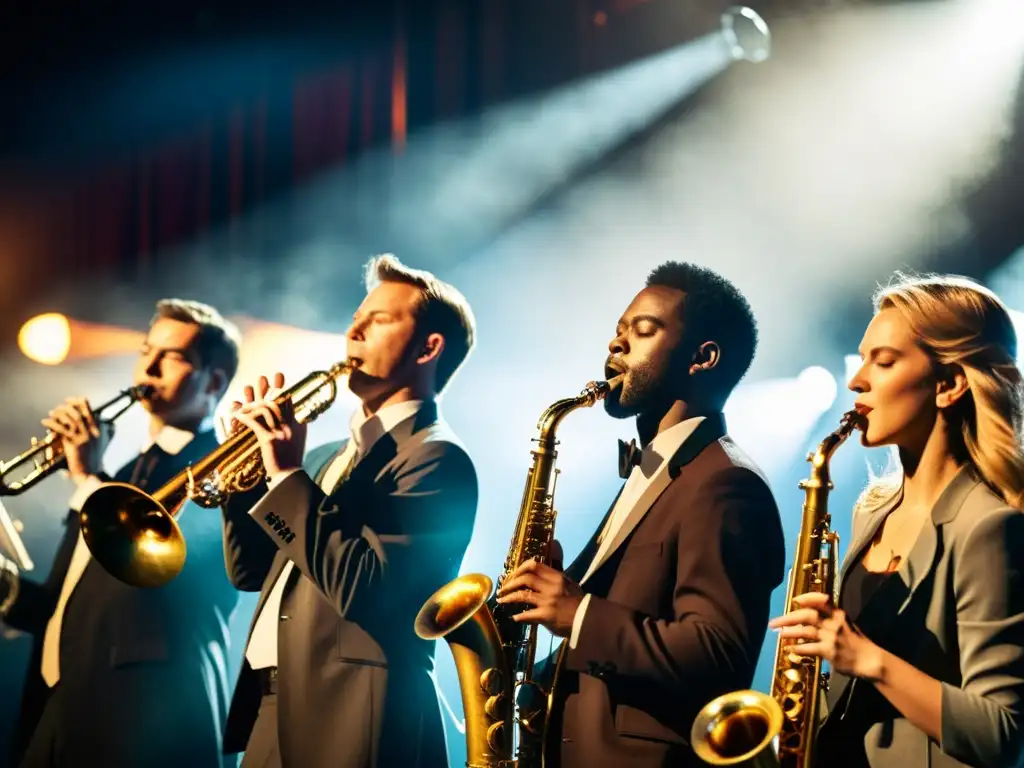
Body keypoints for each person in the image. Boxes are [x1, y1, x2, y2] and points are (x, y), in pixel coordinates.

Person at [497, 261, 786, 766]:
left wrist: (578, 612)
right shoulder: (652, 469)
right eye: (617, 332)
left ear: (703, 357)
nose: (616, 345)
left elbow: (718, 654)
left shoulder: (727, 483)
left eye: (643, 330)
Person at [221, 254, 479, 768]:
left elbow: (367, 588)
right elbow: (249, 572)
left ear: (430, 347)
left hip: (357, 710)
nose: (353, 331)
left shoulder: (437, 457)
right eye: (355, 320)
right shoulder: (321, 456)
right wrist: (244, 477)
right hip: (275, 706)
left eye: (378, 319)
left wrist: (286, 478)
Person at [770, 273, 1024, 768]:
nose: (856, 380)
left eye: (883, 361)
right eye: (863, 358)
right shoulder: (871, 509)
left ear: (948, 385)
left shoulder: (991, 527)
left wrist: (867, 659)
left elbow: (1005, 735)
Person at [0, 299, 243, 767]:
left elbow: (171, 583)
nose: (148, 367)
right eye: (146, 349)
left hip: (144, 711)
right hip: (58, 703)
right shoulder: (123, 476)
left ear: (213, 381)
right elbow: (65, 606)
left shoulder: (221, 466)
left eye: (171, 356)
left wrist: (89, 481)